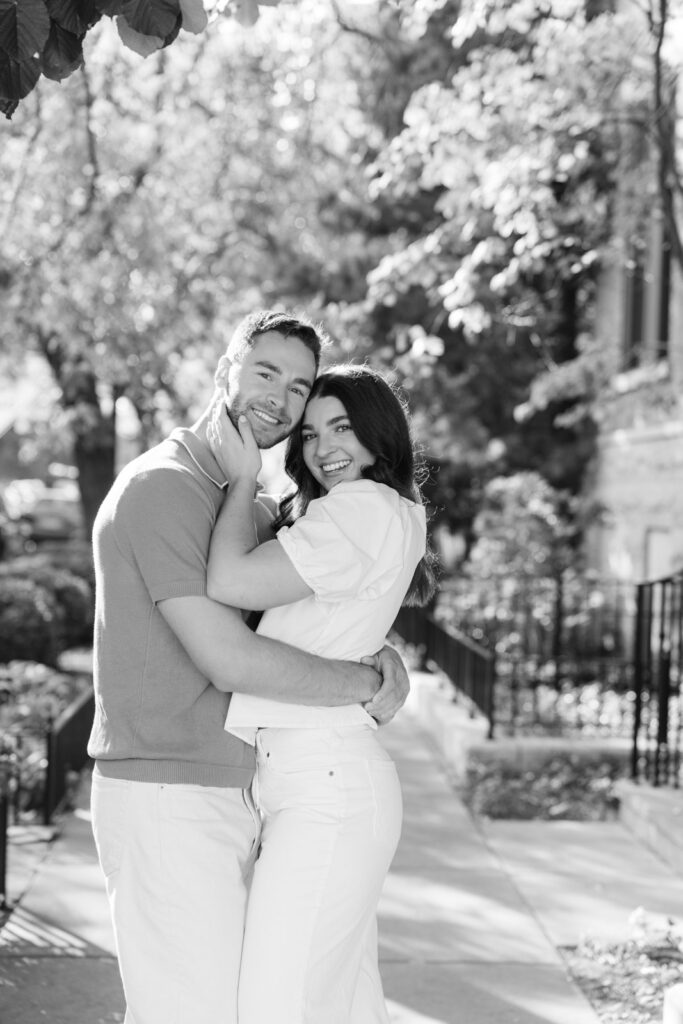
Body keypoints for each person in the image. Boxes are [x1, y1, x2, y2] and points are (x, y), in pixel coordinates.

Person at [87, 311, 411, 1024]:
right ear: (225, 368)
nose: (281, 398)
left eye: (298, 387)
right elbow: (230, 659)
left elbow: (309, 620)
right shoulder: (163, 489)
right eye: (265, 372)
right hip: (167, 791)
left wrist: (378, 653)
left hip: (244, 792)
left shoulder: (255, 512)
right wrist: (363, 682)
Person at [205, 363, 436, 1024]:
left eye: (342, 427)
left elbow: (229, 582)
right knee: (338, 1003)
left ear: (377, 433)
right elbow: (342, 621)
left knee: (277, 1005)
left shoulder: (359, 507)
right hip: (324, 780)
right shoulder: (386, 509)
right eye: (309, 435)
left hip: (326, 786)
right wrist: (379, 657)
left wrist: (244, 475)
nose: (323, 447)